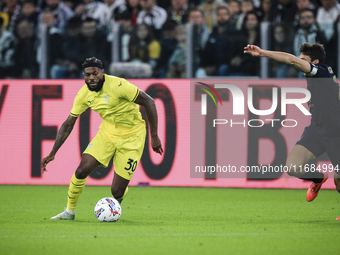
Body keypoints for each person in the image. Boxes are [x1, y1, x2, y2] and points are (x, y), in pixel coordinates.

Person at [41, 57, 163, 220]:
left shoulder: (119, 85)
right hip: (108, 132)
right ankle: (69, 212)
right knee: (82, 170)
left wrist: (154, 136)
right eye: (87, 74)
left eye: (95, 73)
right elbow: (69, 123)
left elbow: (150, 101)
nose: (91, 78)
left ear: (102, 73)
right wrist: (53, 152)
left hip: (132, 135)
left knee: (117, 191)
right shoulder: (84, 94)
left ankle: (115, 206)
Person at [244, 43, 340, 220]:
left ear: (316, 62)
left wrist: (263, 52)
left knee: (339, 182)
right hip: (317, 130)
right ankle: (319, 179)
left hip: (337, 134)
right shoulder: (318, 77)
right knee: (292, 168)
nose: (298, 62)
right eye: (300, 58)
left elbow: (290, 59)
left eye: (303, 60)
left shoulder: (321, 72)